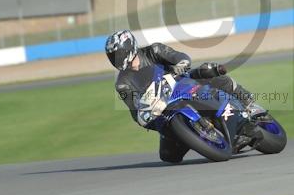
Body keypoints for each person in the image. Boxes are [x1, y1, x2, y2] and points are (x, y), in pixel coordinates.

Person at [105, 29, 265, 163]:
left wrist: (180, 66)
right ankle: (197, 135)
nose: (115, 59)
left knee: (211, 72)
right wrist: (146, 117)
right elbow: (136, 112)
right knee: (168, 156)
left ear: (129, 48)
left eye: (118, 54)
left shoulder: (154, 51)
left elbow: (181, 58)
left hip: (184, 85)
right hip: (164, 112)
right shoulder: (122, 83)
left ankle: (249, 104)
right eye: (112, 56)